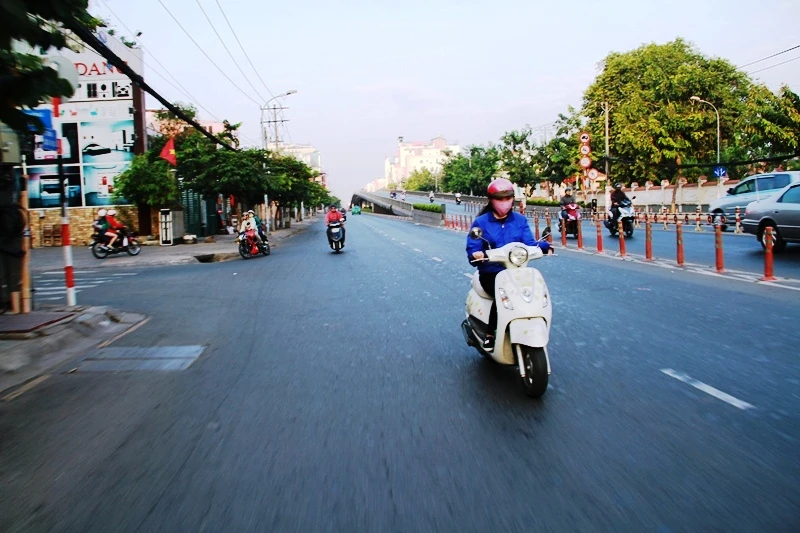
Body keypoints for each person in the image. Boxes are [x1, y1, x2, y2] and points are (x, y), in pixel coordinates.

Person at [466, 178, 552, 351]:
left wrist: (544, 246)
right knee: (504, 293)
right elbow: (473, 245)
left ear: (513, 199)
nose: (504, 202)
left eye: (508, 198)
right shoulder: (481, 222)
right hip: (491, 272)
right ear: (491, 200)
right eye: (500, 198)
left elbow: (529, 243)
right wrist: (476, 253)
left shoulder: (520, 221)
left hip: (517, 271)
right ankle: (490, 334)